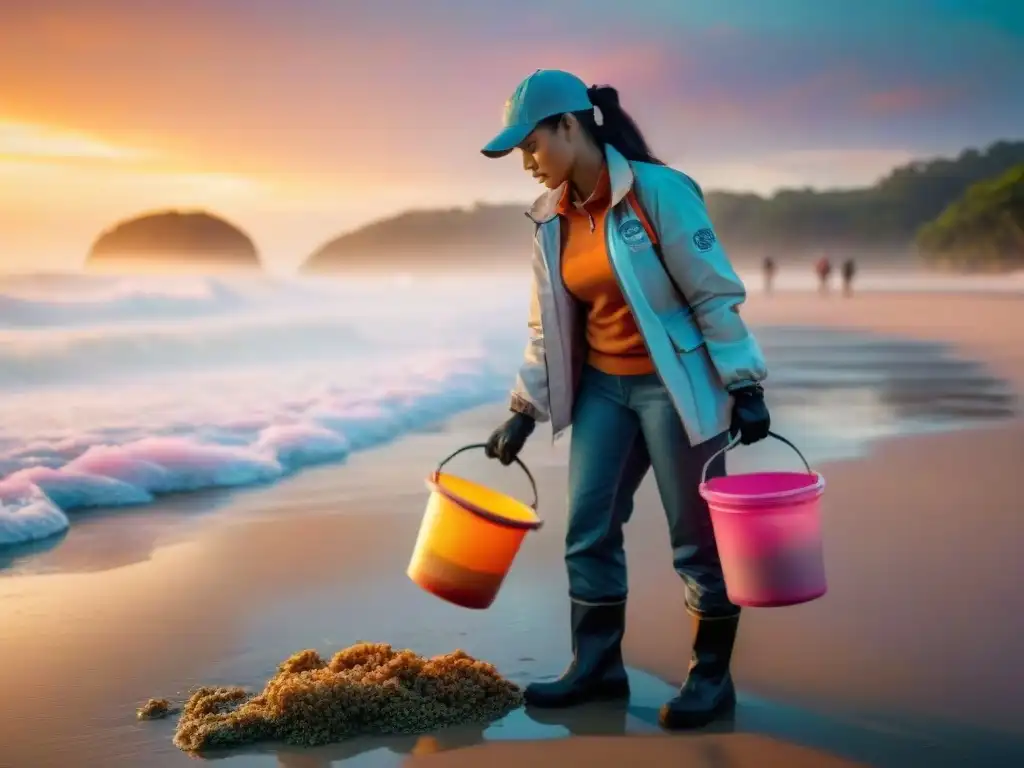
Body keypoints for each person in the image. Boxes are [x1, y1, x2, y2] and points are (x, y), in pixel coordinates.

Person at [478, 70, 770, 731]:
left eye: (530, 146)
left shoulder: (658, 193)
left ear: (569, 127)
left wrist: (745, 383)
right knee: (587, 531)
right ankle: (597, 668)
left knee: (694, 542)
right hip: (604, 390)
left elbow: (713, 293)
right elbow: (544, 326)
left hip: (675, 390)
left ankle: (710, 678)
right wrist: (524, 411)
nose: (526, 163)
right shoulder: (550, 219)